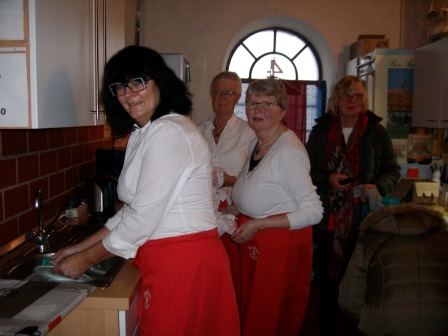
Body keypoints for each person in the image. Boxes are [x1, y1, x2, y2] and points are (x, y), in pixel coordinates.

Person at [51, 46, 240, 335]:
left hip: (184, 261)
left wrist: (84, 261)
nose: (128, 93)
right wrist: (80, 247)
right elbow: (131, 211)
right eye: (120, 87)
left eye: (137, 81)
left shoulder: (169, 132)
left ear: (159, 83)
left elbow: (142, 220)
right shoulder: (144, 133)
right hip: (168, 257)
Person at [223, 78, 324, 336]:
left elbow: (314, 211)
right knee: (254, 312)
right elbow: (264, 191)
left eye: (267, 103)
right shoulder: (259, 141)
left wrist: (260, 222)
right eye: (252, 103)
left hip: (279, 249)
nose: (257, 110)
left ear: (283, 110)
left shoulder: (288, 150)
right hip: (258, 243)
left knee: (270, 315)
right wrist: (235, 210)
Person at [305, 75, 401, 335]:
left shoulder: (376, 131)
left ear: (364, 100)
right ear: (336, 100)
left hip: (363, 220)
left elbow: (392, 170)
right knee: (326, 283)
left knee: (358, 284)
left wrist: (377, 186)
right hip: (329, 220)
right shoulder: (322, 129)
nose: (351, 101)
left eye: (357, 95)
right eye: (346, 95)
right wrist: (328, 179)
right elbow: (307, 170)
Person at [339, 205, 448, 336]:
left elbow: (349, 300)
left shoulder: (370, 241)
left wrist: (368, 317)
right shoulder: (444, 240)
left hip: (384, 325)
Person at [198, 71, 256, 212]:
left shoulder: (249, 133)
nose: (222, 98)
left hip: (235, 209)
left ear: (237, 98)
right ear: (212, 95)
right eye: (218, 92)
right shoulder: (197, 132)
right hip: (200, 208)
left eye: (229, 93)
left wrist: (230, 180)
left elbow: (257, 180)